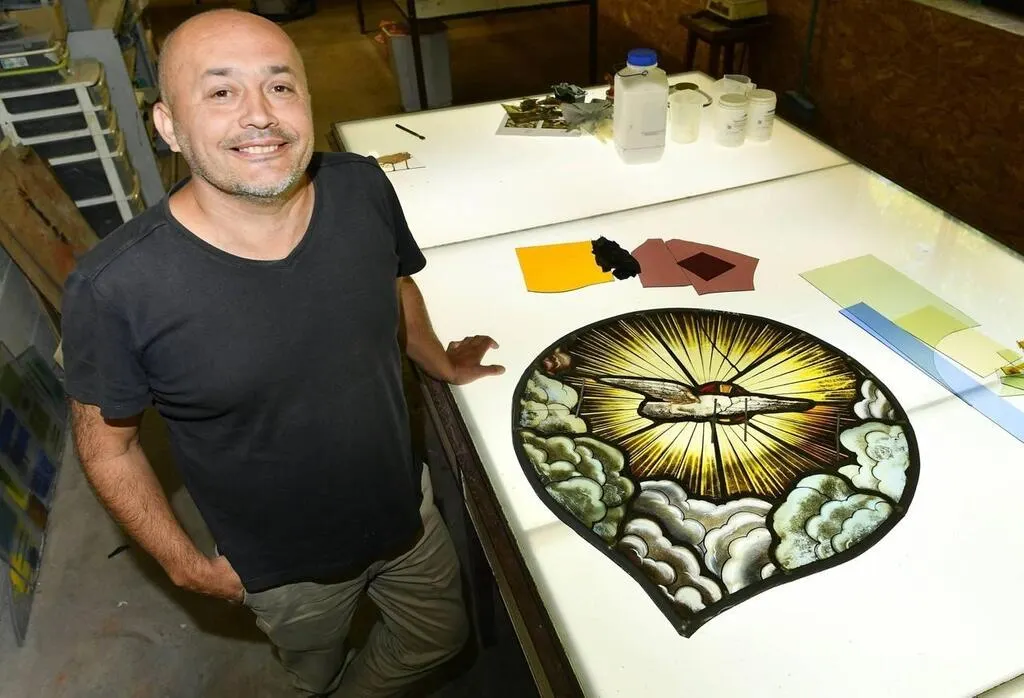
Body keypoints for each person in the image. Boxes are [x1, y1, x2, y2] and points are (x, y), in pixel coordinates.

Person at [59, 8, 504, 697]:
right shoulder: (115, 287)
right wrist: (186, 566)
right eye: (221, 91)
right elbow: (108, 449)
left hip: (405, 511)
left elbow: (393, 282)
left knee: (439, 638)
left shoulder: (360, 186)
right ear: (169, 126)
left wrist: (438, 361)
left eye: (280, 86)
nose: (260, 115)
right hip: (282, 570)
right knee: (312, 670)